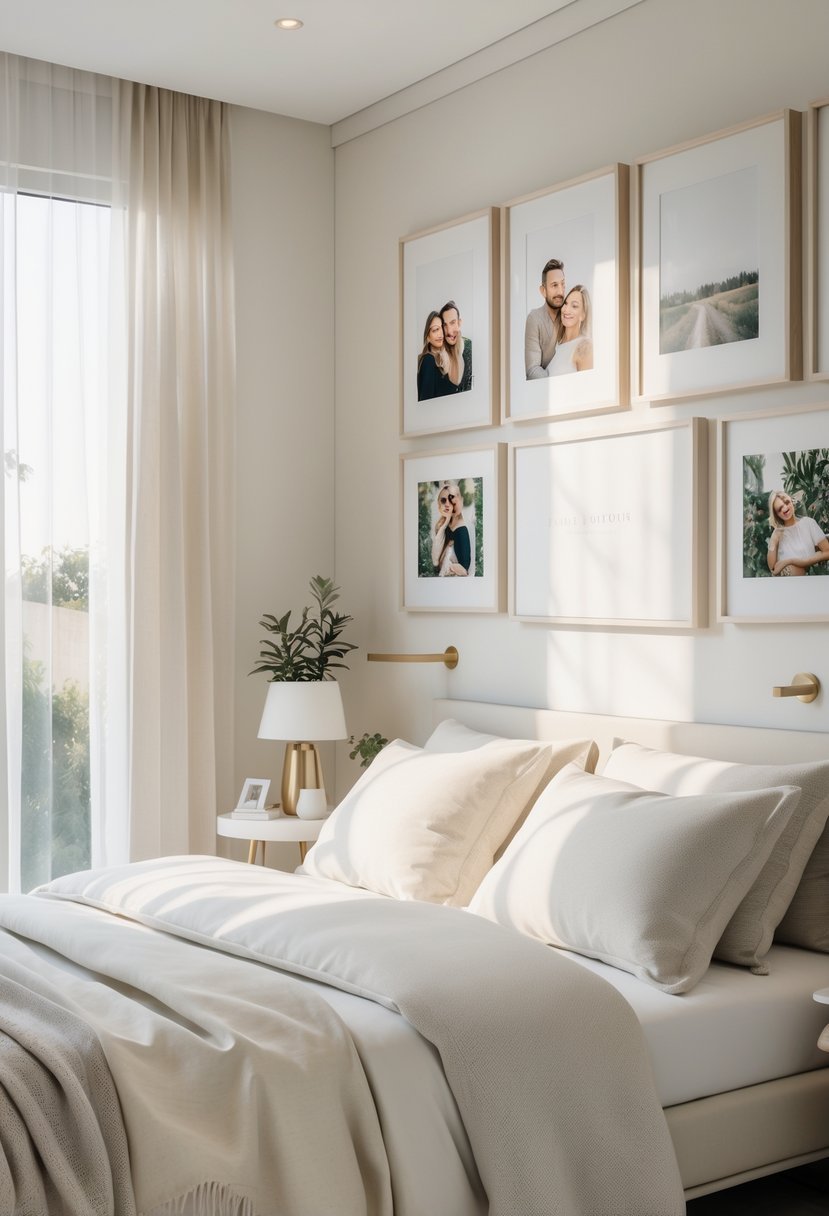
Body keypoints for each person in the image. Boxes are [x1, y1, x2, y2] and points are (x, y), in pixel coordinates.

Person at [766, 490, 829, 576]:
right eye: (779, 509)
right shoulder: (778, 534)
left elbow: (827, 552)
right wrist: (774, 539)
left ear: (792, 501)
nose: (785, 509)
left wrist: (791, 561)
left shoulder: (808, 523)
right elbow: (773, 569)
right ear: (776, 514)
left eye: (786, 502)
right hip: (787, 585)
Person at [524, 258, 565, 379]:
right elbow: (532, 370)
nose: (560, 291)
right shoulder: (534, 318)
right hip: (545, 391)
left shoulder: (569, 314)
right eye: (554, 285)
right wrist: (557, 384)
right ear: (543, 291)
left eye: (563, 284)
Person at [546, 285, 593, 375]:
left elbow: (589, 386)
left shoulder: (585, 347)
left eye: (574, 306)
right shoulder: (556, 346)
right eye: (565, 303)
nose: (566, 310)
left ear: (583, 315)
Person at [431, 481, 471, 576]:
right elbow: (435, 561)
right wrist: (445, 523)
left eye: (451, 499)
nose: (447, 504)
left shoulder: (461, 531)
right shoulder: (443, 526)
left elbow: (464, 570)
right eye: (443, 500)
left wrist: (450, 567)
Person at [417, 310, 453, 400]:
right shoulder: (428, 360)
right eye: (435, 330)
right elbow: (426, 402)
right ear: (428, 337)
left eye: (442, 328)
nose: (441, 334)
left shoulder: (447, 359)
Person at [439, 301, 473, 394]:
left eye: (453, 322)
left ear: (459, 323)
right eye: (445, 325)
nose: (449, 331)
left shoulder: (469, 348)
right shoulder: (436, 358)